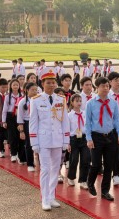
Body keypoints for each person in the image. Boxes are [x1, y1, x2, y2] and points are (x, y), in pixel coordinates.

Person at [29, 71, 70, 211]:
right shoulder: (36, 100)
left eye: (53, 82)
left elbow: (65, 121)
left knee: (55, 169)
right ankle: (44, 199)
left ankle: (52, 196)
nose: (51, 85)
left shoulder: (61, 99)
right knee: (45, 169)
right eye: (48, 82)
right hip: (44, 139)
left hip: (58, 139)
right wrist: (34, 142)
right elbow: (33, 122)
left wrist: (66, 139)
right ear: (42, 84)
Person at [85, 77, 119, 201]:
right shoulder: (90, 103)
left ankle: (105, 191)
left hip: (110, 136)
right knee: (96, 164)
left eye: (107, 86)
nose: (106, 88)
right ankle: (90, 182)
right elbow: (88, 122)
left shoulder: (113, 102)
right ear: (97, 87)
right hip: (96, 136)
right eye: (103, 86)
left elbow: (116, 120)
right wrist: (89, 138)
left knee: (109, 165)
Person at [66, 94, 90, 189]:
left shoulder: (84, 113)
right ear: (72, 102)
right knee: (74, 159)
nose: (79, 103)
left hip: (84, 138)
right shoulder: (69, 115)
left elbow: (88, 126)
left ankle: (83, 180)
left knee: (85, 159)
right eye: (76, 101)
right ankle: (71, 177)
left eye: (80, 101)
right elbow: (67, 130)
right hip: (74, 139)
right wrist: (67, 143)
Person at [17, 82, 37, 171]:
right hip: (27, 123)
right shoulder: (22, 102)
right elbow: (20, 117)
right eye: (32, 90)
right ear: (27, 90)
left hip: (37, 123)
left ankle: (39, 162)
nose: (35, 92)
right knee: (29, 144)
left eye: (36, 90)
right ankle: (30, 164)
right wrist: (21, 131)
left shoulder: (38, 100)